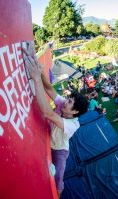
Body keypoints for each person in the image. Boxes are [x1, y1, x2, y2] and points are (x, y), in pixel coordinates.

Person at [23, 49, 88, 196]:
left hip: (60, 151)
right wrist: (39, 72)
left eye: (69, 101)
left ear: (75, 112)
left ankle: (57, 195)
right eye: (68, 98)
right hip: (50, 141)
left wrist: (36, 79)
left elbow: (47, 113)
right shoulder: (63, 105)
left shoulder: (73, 125)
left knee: (57, 180)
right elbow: (49, 88)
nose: (65, 101)